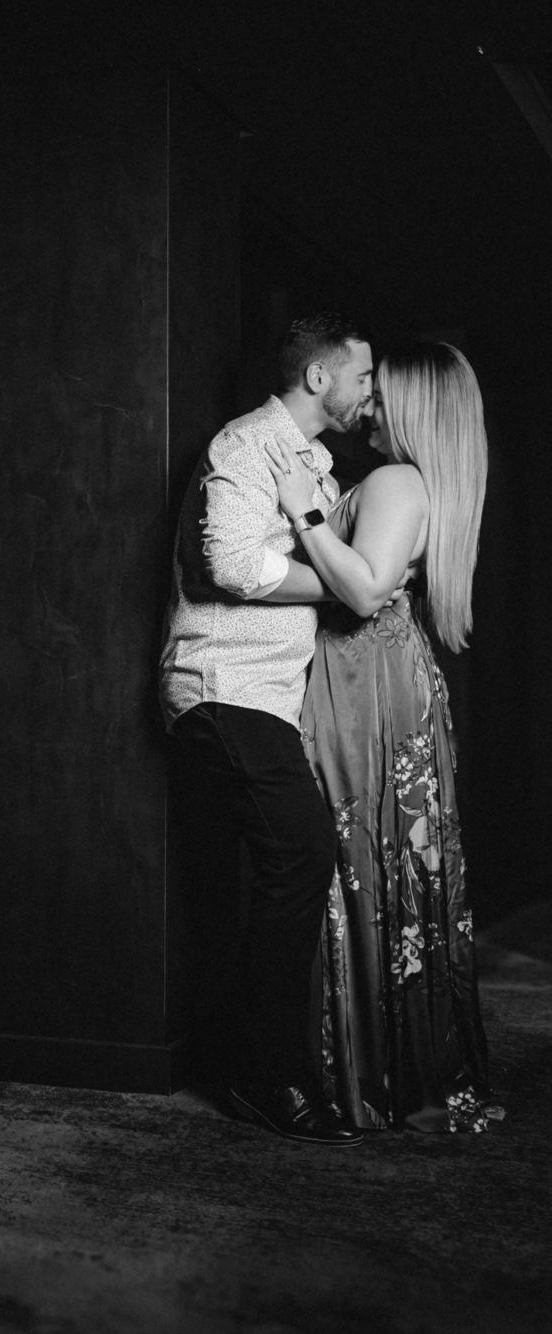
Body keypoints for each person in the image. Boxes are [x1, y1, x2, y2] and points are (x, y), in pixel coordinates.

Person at [263, 340, 499, 1133]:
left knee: (355, 858)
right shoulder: (416, 482)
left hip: (363, 679)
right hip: (384, 678)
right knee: (376, 859)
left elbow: (363, 593)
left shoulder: (398, 480)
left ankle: (357, 1072)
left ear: (414, 407)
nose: (366, 402)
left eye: (380, 390)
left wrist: (303, 508)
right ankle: (385, 1063)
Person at [159, 313, 375, 1146]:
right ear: (319, 377)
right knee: (302, 851)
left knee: (261, 875)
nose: (370, 392)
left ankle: (258, 1063)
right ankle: (263, 1074)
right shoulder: (246, 444)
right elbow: (232, 565)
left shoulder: (316, 465)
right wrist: (341, 586)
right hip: (223, 690)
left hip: (272, 701)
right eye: (362, 375)